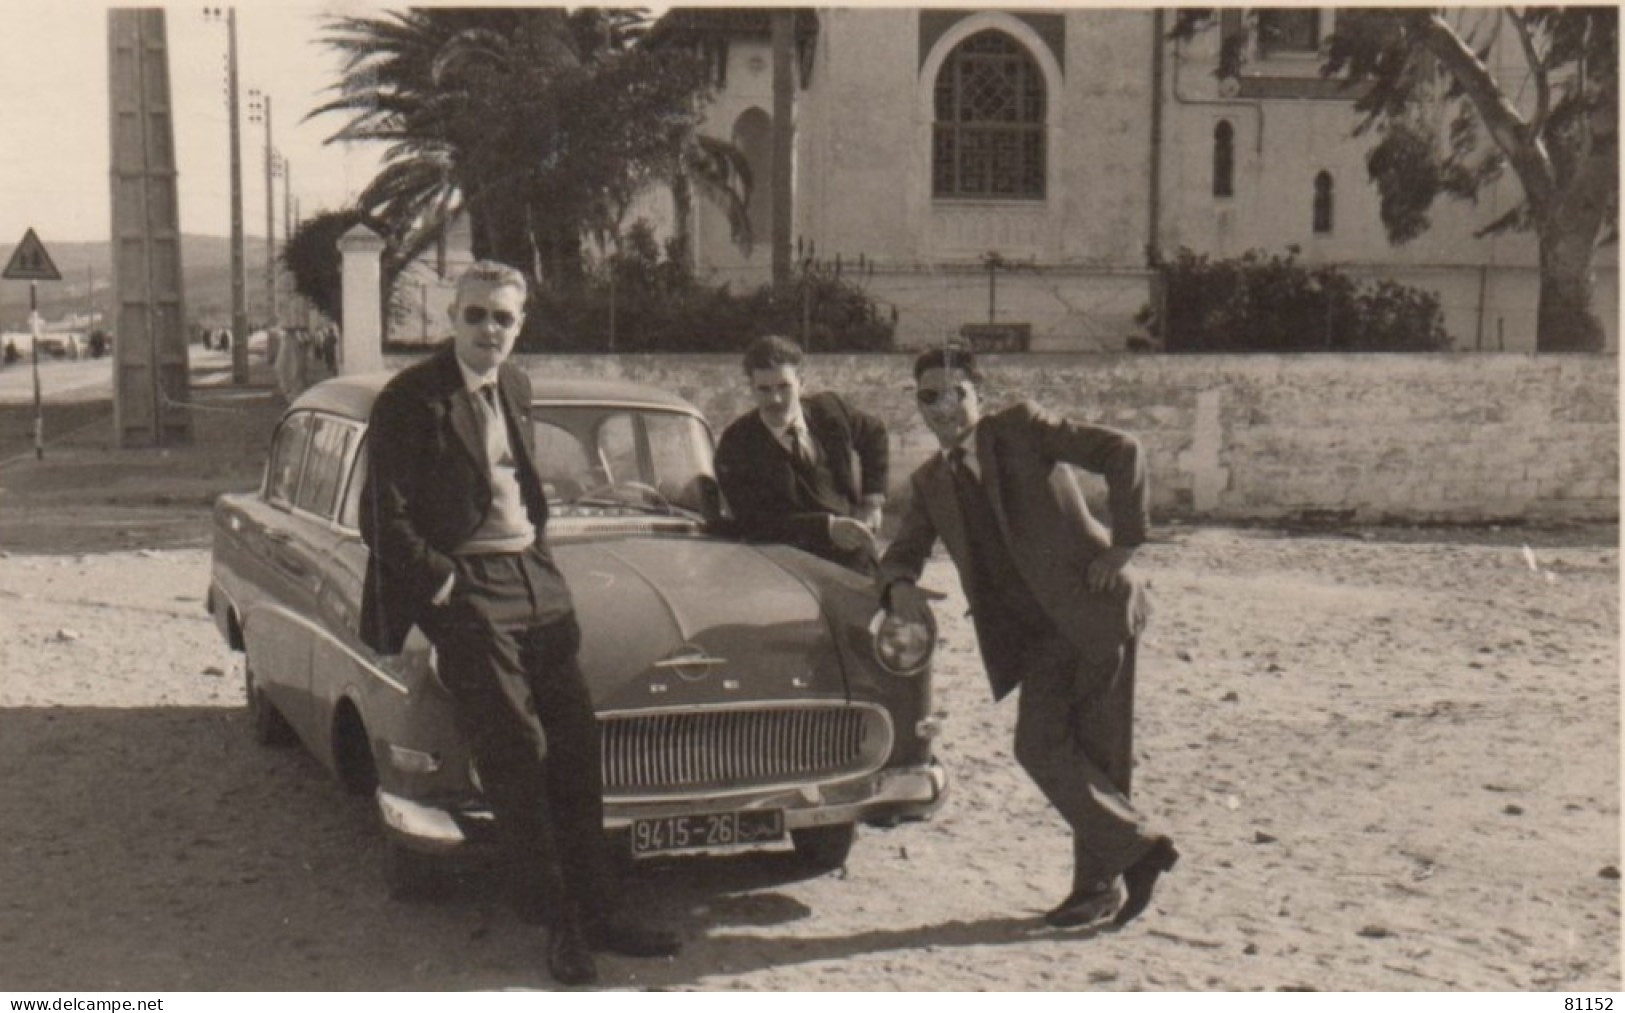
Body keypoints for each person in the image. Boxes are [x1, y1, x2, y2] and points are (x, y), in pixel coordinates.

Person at [358, 260, 679, 986]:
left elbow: (520, 488)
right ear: (452, 318)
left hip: (534, 579)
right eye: (476, 315)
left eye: (503, 318)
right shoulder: (410, 398)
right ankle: (558, 922)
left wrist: (542, 559)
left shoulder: (517, 385)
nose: (489, 330)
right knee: (518, 750)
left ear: (520, 323)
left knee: (575, 742)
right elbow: (381, 515)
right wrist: (444, 584)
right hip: (467, 584)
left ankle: (601, 910)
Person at [877, 344, 1177, 930]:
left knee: (1099, 757)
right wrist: (897, 588)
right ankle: (1139, 850)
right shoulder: (932, 480)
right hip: (1035, 640)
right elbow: (903, 551)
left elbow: (1123, 450)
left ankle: (1096, 890)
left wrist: (1124, 545)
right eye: (927, 397)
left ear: (977, 395)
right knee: (1038, 748)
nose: (941, 407)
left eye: (953, 392)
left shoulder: (1022, 428)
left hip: (1095, 614)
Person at [713, 335, 888, 572]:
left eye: (784, 387)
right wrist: (826, 528)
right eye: (764, 389)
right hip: (788, 571)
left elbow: (874, 433)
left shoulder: (829, 411)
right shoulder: (736, 444)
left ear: (801, 383)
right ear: (751, 389)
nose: (775, 399)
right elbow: (751, 523)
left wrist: (872, 500)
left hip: (856, 561)